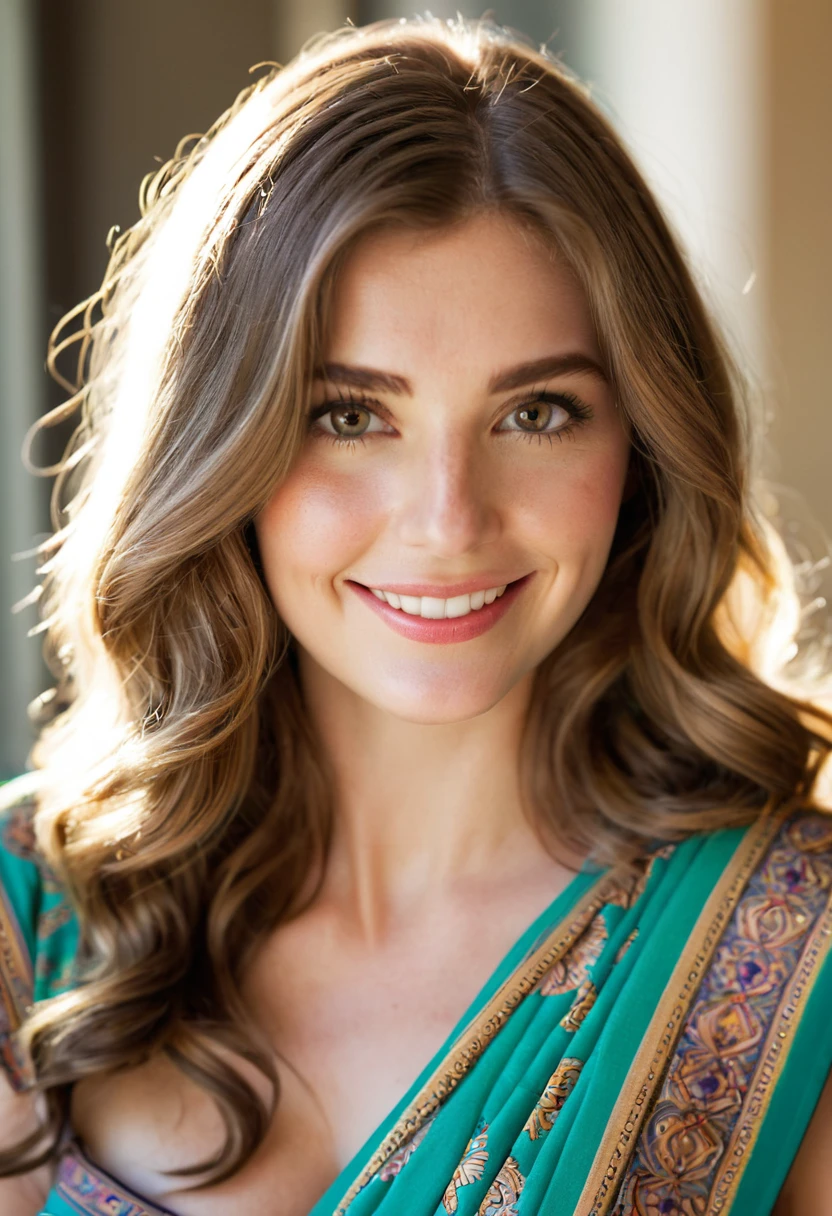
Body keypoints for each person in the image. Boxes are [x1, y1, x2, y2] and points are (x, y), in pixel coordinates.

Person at [0, 13, 830, 1215]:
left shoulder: (793, 954)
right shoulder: (29, 922)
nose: (449, 518)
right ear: (222, 444)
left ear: (642, 449)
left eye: (535, 413)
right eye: (350, 414)